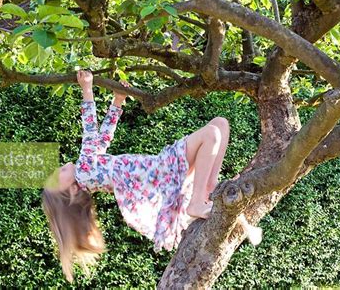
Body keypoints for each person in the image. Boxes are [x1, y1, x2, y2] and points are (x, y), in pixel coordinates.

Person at [42, 70, 262, 282]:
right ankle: (196, 203)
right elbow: (90, 134)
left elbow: (102, 140)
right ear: (72, 189)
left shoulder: (91, 170)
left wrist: (117, 102)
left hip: (159, 172)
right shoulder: (83, 171)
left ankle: (209, 187)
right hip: (160, 170)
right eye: (60, 173)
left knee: (220, 124)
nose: (62, 166)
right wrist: (87, 88)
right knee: (212, 133)